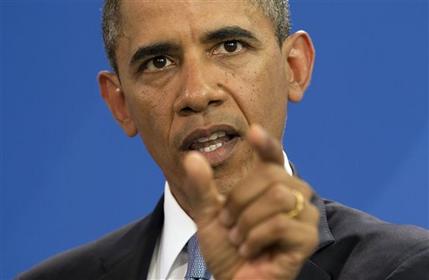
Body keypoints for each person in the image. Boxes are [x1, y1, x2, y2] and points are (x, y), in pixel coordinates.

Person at [18, 0, 429, 279]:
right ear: (120, 103)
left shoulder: (407, 268)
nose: (196, 94)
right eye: (159, 62)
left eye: (229, 46)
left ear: (294, 67)